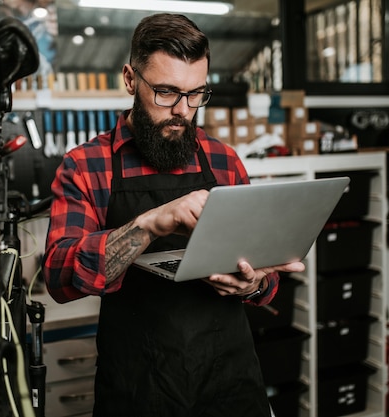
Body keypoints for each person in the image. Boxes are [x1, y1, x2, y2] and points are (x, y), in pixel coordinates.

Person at [43, 13, 305, 417]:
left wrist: (253, 284)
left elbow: (267, 283)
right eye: (166, 92)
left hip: (230, 384)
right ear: (131, 79)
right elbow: (61, 276)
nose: (183, 110)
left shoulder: (223, 161)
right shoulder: (86, 165)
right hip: (138, 390)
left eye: (196, 94)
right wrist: (150, 223)